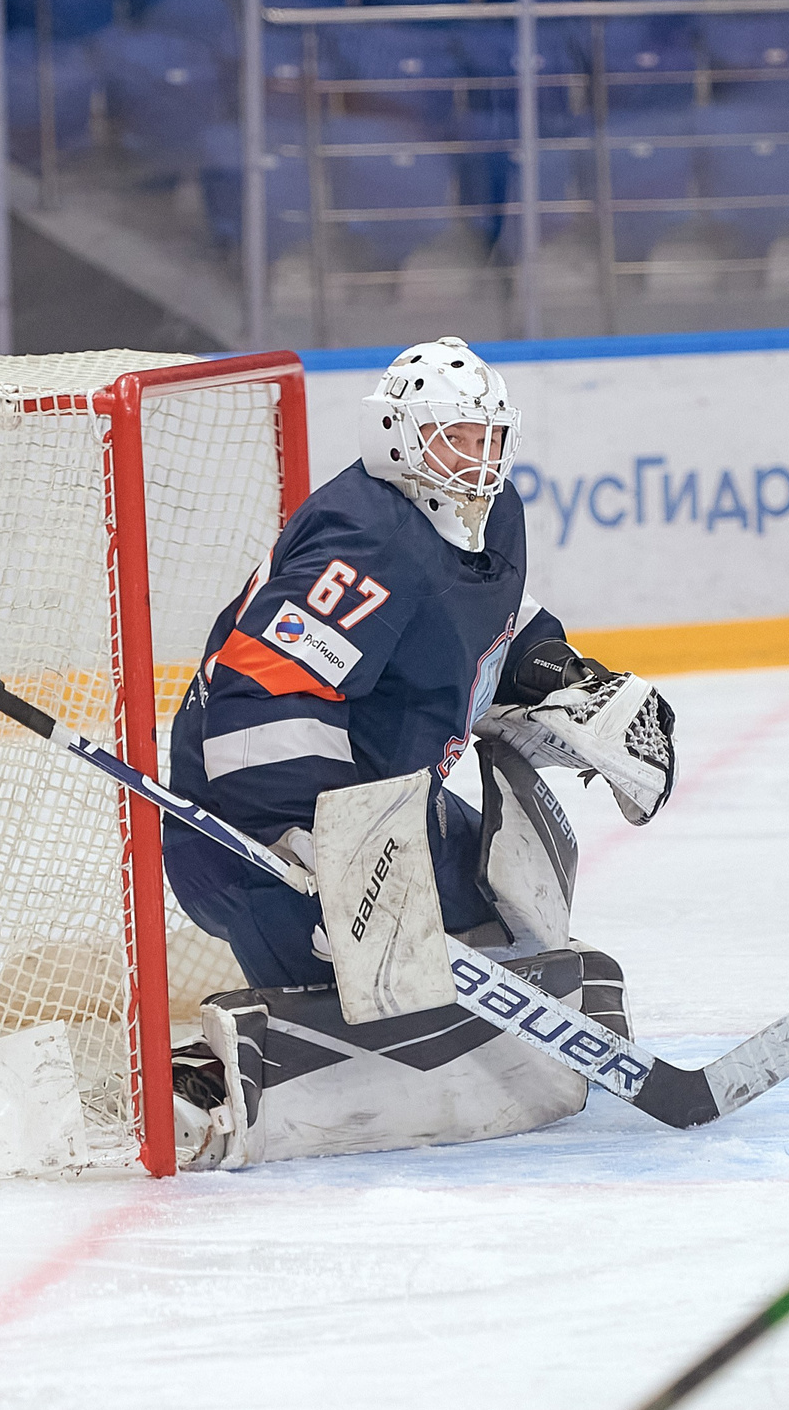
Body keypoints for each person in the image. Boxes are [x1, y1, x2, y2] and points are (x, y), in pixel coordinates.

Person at [160, 336, 677, 1168]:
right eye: (454, 438)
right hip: (255, 837)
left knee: (503, 912)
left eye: (488, 438)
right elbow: (266, 698)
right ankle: (204, 1083)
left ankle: (412, 1037)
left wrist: (566, 677)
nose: (477, 460)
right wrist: (325, 850)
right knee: (376, 1000)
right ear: (397, 436)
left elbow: (489, 615)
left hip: (389, 808)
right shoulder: (361, 538)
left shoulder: (490, 515)